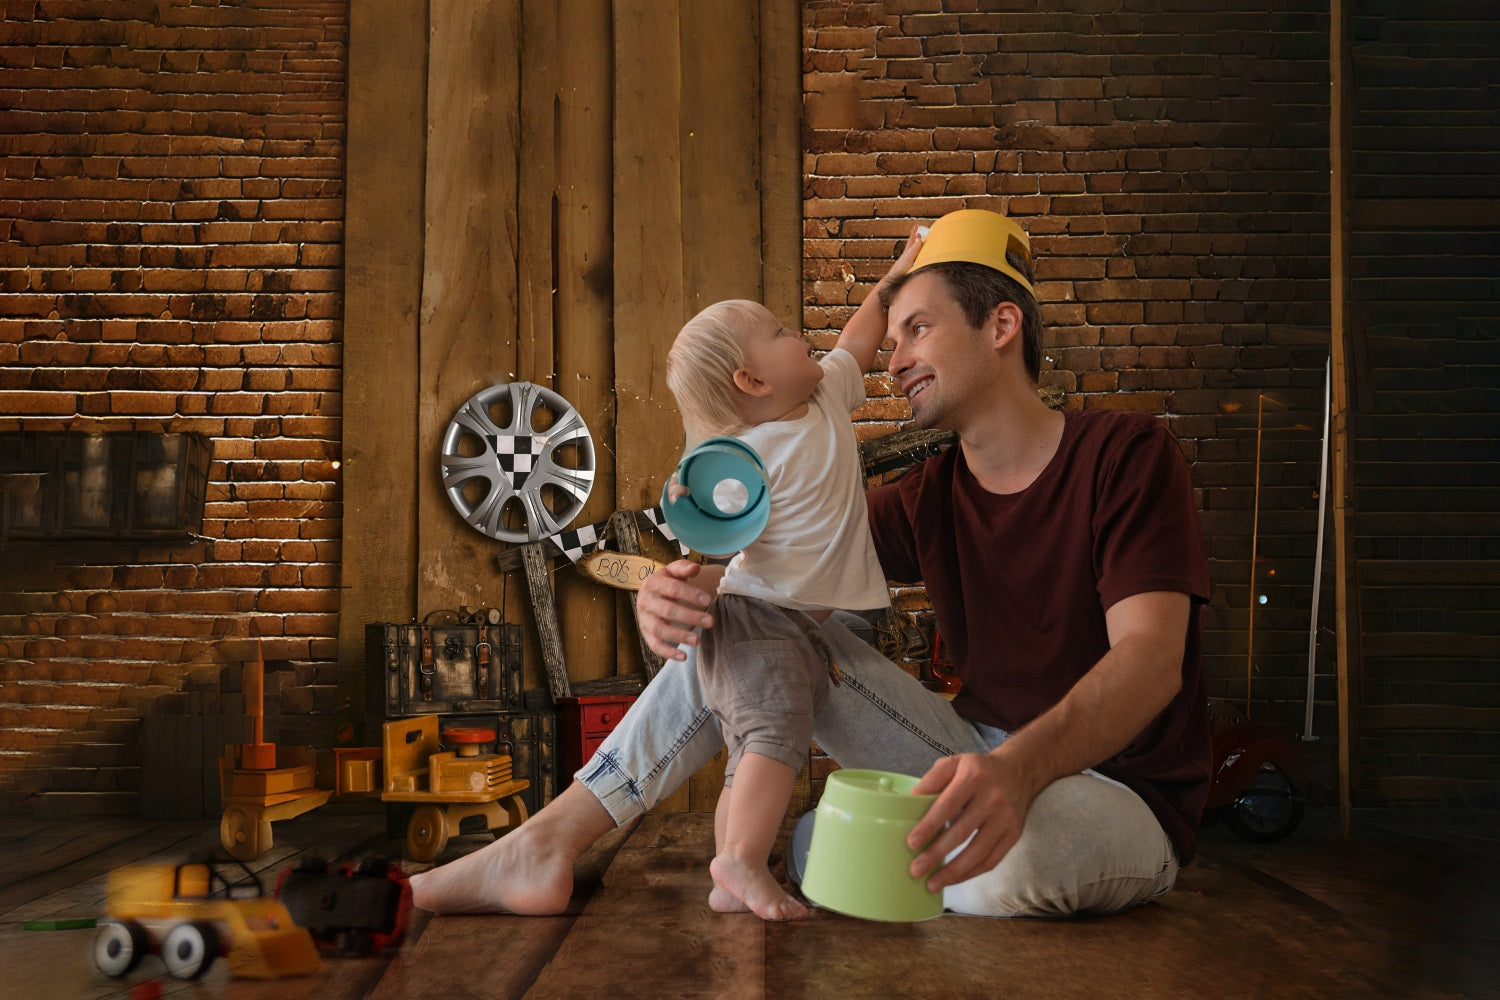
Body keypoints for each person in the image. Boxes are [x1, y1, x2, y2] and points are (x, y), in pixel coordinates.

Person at [410, 208, 1212, 919]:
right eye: (889, 336)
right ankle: (549, 842)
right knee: (752, 618)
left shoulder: (1126, 456)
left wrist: (1018, 768)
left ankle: (846, 851)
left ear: (1002, 326)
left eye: (919, 330)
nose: (892, 359)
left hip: (1115, 791)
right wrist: (685, 593)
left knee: (1012, 867)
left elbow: (1150, 664)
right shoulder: (928, 496)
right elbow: (776, 571)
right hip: (966, 754)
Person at [657, 259, 916, 918]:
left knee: (754, 743)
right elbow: (706, 508)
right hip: (758, 616)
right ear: (753, 379)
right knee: (775, 737)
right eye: (777, 332)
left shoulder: (828, 391)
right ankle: (741, 860)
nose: (796, 332)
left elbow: (858, 336)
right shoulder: (746, 452)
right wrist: (682, 494)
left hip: (784, 621)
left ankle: (727, 874)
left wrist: (897, 276)